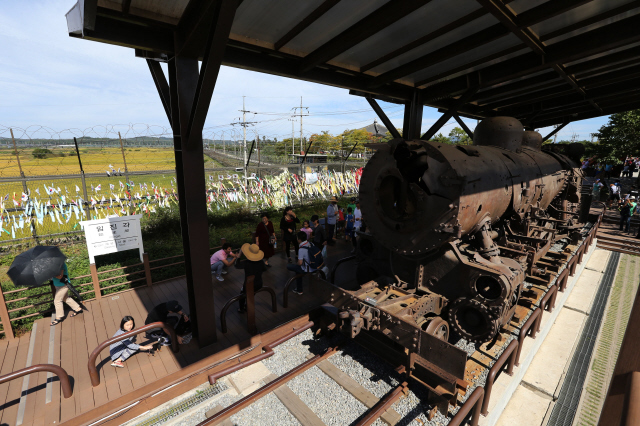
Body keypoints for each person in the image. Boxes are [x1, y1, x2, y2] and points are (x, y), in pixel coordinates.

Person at [235, 243, 267, 313]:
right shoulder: (261, 261)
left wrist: (239, 255)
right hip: (259, 284)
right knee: (251, 294)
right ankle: (247, 305)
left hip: (248, 285)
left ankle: (241, 309)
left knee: (242, 295)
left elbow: (236, 265)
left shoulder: (247, 263)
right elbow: (265, 269)